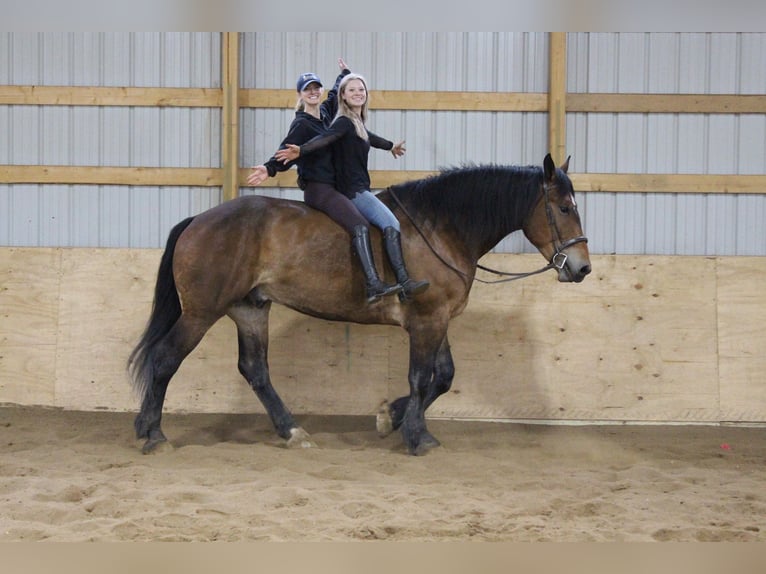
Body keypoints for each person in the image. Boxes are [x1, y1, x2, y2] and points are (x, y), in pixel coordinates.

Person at [247, 59, 401, 304]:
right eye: (307, 89)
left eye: (316, 88)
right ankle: (372, 284)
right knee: (359, 225)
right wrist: (269, 168)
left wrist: (346, 74)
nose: (313, 92)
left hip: (336, 186)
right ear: (300, 94)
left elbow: (338, 93)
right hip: (319, 188)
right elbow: (288, 150)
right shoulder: (301, 124)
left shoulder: (328, 113)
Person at [275, 72, 429, 301]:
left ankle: (400, 284)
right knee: (390, 223)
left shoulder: (356, 123)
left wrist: (390, 147)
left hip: (359, 187)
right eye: (352, 90)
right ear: (343, 97)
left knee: (386, 223)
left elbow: (369, 137)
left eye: (361, 90)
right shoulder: (344, 122)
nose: (358, 93)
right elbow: (324, 139)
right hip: (353, 190)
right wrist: (302, 150)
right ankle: (398, 283)